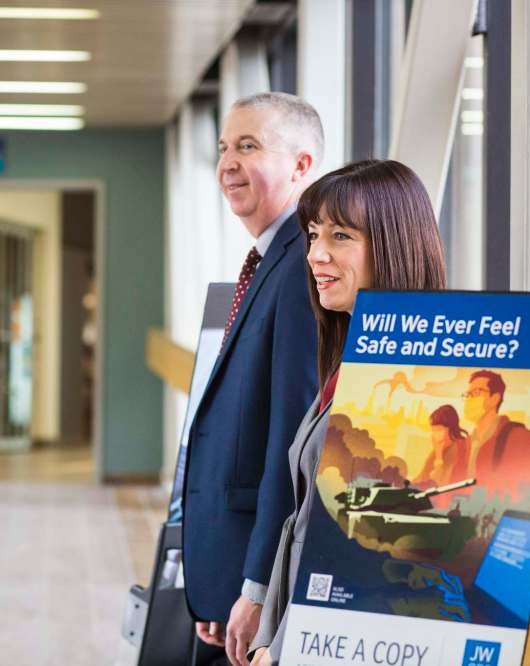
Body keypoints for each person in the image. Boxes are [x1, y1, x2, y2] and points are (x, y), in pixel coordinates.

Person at [249, 159, 447, 665]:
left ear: (393, 244)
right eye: (314, 234)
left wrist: (284, 645)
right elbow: (306, 523)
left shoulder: (413, 383)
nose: (316, 254)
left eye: (340, 236)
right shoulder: (351, 363)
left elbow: (353, 547)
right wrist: (270, 639)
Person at [183, 92, 321, 666]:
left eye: (248, 146)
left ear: (301, 166)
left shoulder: (301, 269)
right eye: (222, 148)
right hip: (231, 566)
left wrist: (257, 585)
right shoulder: (268, 260)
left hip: (255, 578)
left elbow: (288, 436)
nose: (227, 164)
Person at [462, 369, 530, 499]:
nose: (469, 399)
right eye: (467, 394)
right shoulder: (467, 442)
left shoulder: (517, 436)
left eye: (477, 392)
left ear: (495, 399)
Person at [414, 404, 471, 491]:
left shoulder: (460, 449)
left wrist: (439, 456)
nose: (435, 435)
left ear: (451, 428)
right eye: (433, 430)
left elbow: (438, 484)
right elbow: (421, 477)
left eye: (439, 429)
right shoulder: (439, 450)